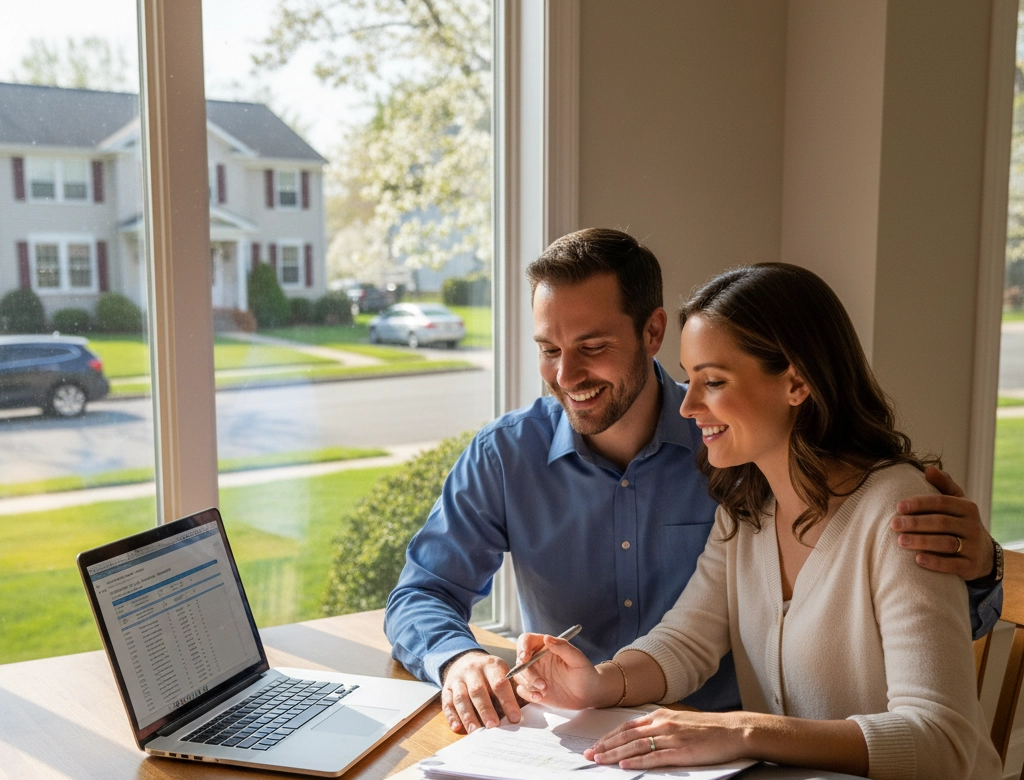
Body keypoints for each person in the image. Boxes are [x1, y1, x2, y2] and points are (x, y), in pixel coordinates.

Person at [384, 229, 1004, 736]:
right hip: (616, 745)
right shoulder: (742, 494)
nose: (565, 375)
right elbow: (687, 638)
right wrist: (472, 661)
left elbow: (930, 669)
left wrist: (979, 571)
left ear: (652, 333)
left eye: (592, 346)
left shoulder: (741, 460)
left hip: (743, 754)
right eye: (549, 349)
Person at [514, 262, 1011, 780]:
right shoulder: (746, 508)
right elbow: (687, 640)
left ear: (796, 383)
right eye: (688, 379)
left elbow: (942, 744)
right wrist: (596, 684)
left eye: (713, 382)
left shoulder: (901, 513)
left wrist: (743, 731)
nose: (687, 406)